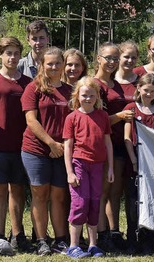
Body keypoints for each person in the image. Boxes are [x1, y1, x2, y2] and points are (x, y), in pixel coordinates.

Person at [0, 37, 34, 252]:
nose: (12, 57)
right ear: (0, 55)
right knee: (0, 190)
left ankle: (17, 234)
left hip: (22, 145)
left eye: (15, 53)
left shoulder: (28, 83)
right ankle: (0, 235)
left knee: (18, 191)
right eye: (8, 53)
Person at [20, 47, 72, 255]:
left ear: (63, 65)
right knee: (40, 194)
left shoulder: (70, 91)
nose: (53, 67)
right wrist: (51, 143)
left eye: (57, 63)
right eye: (49, 63)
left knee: (59, 196)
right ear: (42, 65)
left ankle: (60, 240)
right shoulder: (33, 89)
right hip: (36, 150)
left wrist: (62, 147)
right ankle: (41, 240)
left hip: (62, 151)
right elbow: (31, 120)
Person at [63, 76, 115, 258]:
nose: (88, 98)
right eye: (84, 95)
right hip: (79, 164)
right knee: (80, 203)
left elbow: (107, 142)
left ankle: (93, 245)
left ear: (97, 97)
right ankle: (73, 246)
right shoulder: (72, 117)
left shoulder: (102, 116)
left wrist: (110, 168)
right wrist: (70, 172)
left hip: (98, 166)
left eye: (92, 95)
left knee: (94, 202)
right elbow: (68, 146)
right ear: (77, 95)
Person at [99, 40, 140, 251]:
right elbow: (95, 118)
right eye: (112, 58)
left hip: (130, 143)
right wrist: (121, 116)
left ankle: (121, 232)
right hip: (108, 143)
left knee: (123, 192)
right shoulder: (99, 84)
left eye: (116, 58)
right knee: (108, 191)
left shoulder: (124, 83)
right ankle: (106, 232)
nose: (114, 62)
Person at [124, 73, 154, 254]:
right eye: (145, 90)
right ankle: (132, 239)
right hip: (134, 162)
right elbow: (127, 137)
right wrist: (134, 160)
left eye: (152, 91)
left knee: (152, 202)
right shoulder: (130, 109)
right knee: (133, 202)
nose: (148, 94)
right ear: (139, 89)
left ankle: (149, 239)